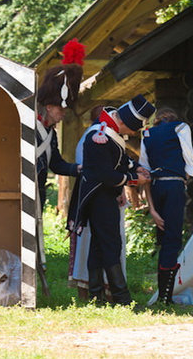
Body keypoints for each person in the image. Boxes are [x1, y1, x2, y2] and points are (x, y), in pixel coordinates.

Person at [72, 95, 155, 305]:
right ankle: (121, 298)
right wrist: (135, 179)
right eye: (132, 129)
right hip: (99, 196)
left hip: (104, 194)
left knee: (99, 245)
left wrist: (136, 167)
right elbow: (106, 175)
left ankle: (96, 296)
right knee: (111, 243)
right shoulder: (99, 136)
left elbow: (119, 158)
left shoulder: (109, 131)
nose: (132, 134)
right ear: (124, 123)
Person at [139, 107, 193, 305]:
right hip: (174, 185)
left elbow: (146, 170)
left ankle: (164, 294)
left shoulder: (147, 134)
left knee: (165, 239)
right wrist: (191, 172)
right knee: (172, 240)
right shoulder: (181, 127)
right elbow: (188, 157)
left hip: (157, 188)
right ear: (173, 119)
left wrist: (152, 209)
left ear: (158, 120)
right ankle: (165, 297)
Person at [34, 38, 84, 286]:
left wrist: (79, 169)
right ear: (51, 106)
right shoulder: (27, 128)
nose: (64, 115)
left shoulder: (49, 133)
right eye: (61, 110)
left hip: (39, 193)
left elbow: (56, 165)